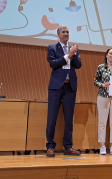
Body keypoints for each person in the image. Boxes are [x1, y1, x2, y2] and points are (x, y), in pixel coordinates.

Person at [46, 25, 82, 157]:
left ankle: (68, 146)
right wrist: (68, 55)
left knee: (68, 118)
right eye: (64, 32)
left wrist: (75, 54)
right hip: (56, 87)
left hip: (70, 87)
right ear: (58, 34)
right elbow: (53, 63)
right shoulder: (52, 48)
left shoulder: (73, 48)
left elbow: (78, 65)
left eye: (68, 31)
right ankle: (50, 146)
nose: (66, 34)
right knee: (52, 118)